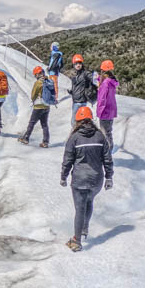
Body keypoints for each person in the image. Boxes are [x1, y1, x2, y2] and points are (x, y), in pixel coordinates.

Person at [60, 106, 114, 251]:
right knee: (89, 201)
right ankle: (84, 229)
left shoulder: (74, 138)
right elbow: (107, 159)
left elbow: (68, 160)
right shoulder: (100, 136)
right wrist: (109, 177)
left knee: (80, 208)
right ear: (91, 120)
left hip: (79, 180)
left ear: (77, 121)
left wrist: (63, 176)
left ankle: (76, 240)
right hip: (97, 179)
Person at [19, 66, 53, 147]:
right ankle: (45, 142)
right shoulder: (48, 81)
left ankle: (26, 138)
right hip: (47, 106)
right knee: (44, 124)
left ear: (37, 74)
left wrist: (33, 99)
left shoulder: (38, 82)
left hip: (38, 106)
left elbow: (33, 94)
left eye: (35, 75)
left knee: (32, 123)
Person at [68, 54, 96, 125]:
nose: (78, 65)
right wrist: (72, 91)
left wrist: (96, 79)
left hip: (82, 102)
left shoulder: (85, 73)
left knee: (76, 122)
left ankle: (78, 134)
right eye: (76, 63)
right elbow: (76, 86)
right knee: (74, 122)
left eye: (79, 63)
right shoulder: (75, 75)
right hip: (75, 101)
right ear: (73, 64)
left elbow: (92, 78)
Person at [96, 60, 118, 146]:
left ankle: (107, 153)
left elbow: (102, 99)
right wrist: (98, 78)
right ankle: (109, 151)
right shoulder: (111, 81)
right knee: (108, 132)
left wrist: (99, 113)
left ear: (103, 70)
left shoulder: (105, 83)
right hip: (111, 111)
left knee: (104, 133)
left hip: (105, 111)